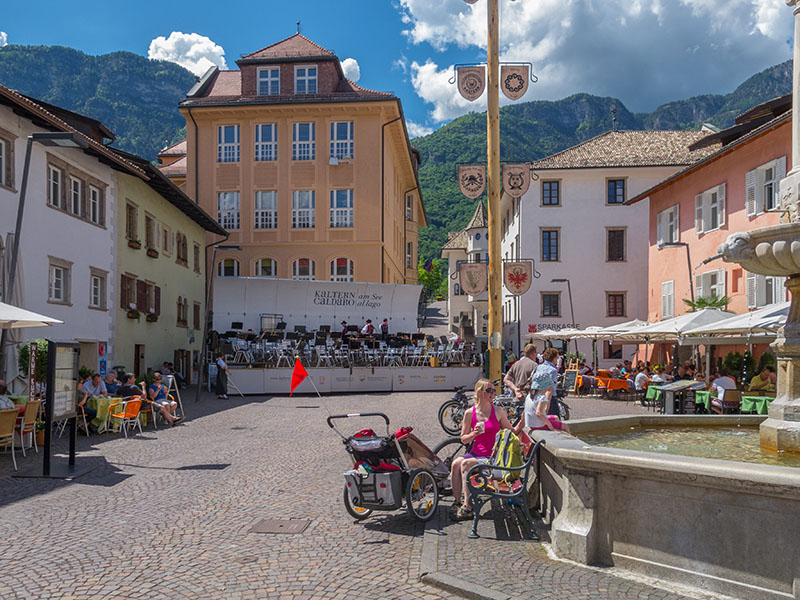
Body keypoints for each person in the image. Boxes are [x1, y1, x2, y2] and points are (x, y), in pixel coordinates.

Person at [448, 379, 517, 521]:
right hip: (476, 453)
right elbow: (463, 439)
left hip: (492, 457)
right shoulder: (469, 413)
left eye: (494, 391)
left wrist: (522, 423)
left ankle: (468, 507)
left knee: (465, 464)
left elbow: (511, 431)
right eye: (489, 390)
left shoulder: (498, 411)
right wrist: (474, 434)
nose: (493, 394)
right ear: (480, 392)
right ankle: (457, 502)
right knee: (455, 464)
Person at [523, 348, 570, 434]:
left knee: (555, 418)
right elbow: (549, 390)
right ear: (554, 358)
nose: (558, 360)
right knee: (558, 424)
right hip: (547, 399)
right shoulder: (553, 370)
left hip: (534, 395)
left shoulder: (537, 367)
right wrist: (547, 406)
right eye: (557, 358)